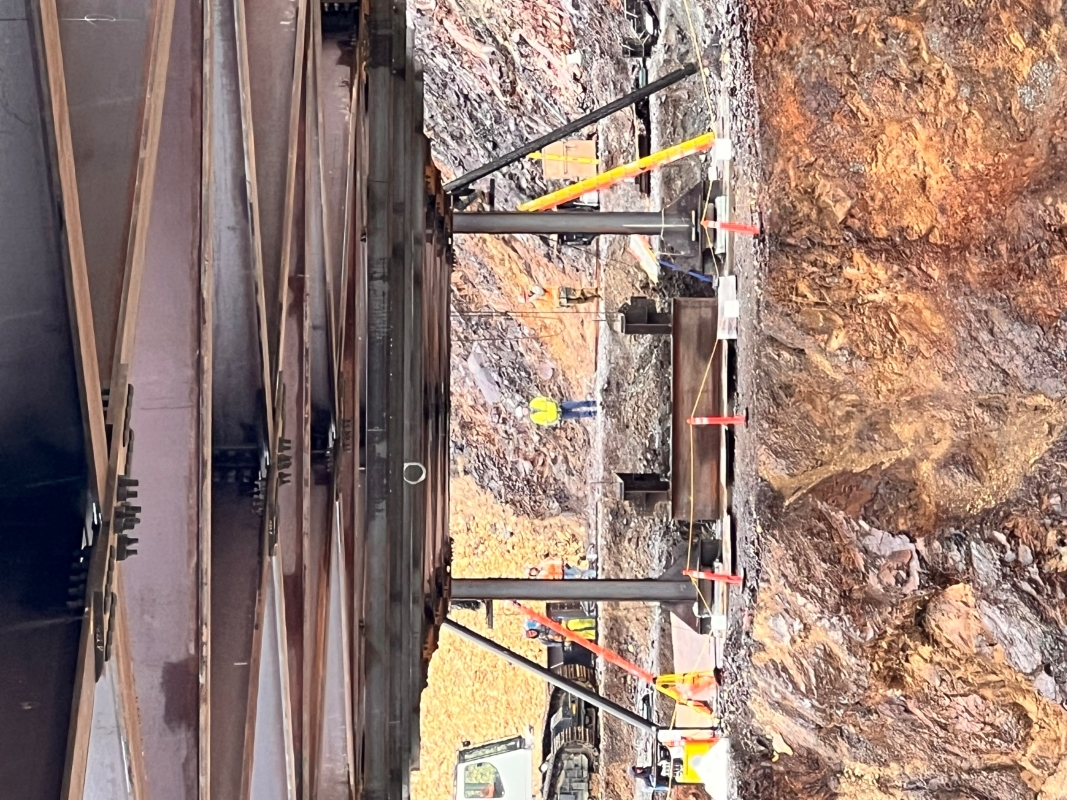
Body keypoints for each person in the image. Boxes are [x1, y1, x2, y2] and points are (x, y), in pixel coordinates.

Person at [528, 396, 598, 426]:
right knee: (578, 415)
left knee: (577, 404)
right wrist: (555, 421)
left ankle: (594, 403)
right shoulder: (534, 419)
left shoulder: (533, 403)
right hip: (561, 416)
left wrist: (555, 402)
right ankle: (593, 413)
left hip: (560, 406)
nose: (526, 411)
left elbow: (545, 398)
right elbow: (546, 423)